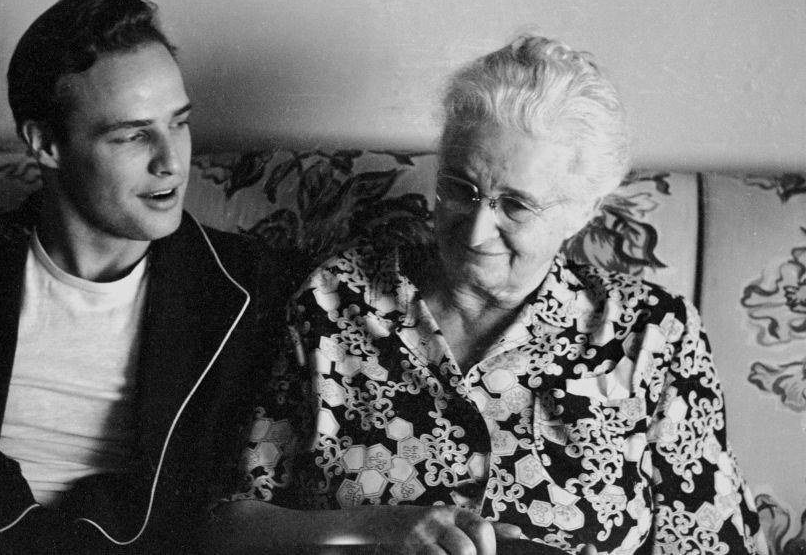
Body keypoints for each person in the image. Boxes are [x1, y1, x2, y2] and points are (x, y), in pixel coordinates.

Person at [205, 36, 764, 554]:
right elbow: (230, 524)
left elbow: (715, 540)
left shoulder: (651, 335)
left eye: (516, 205)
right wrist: (379, 528)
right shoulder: (335, 300)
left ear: (583, 210)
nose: (474, 232)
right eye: (460, 190)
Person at [0, 0, 288, 553]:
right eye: (133, 135)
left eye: (178, 123)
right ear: (47, 144)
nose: (172, 162)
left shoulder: (249, 285)